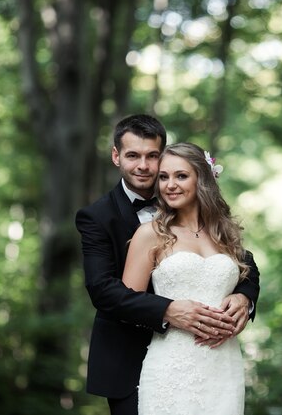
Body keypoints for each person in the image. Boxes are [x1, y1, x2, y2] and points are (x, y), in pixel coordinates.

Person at [75, 114, 260, 415]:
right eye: (133, 155)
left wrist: (244, 297)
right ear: (116, 156)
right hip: (132, 357)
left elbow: (242, 262)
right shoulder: (97, 217)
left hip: (216, 360)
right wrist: (168, 310)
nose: (143, 166)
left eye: (152, 157)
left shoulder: (195, 209)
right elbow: (102, 289)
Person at [122, 142, 253, 415]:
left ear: (202, 180)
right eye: (164, 177)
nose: (170, 184)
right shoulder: (150, 233)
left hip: (224, 366)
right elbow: (127, 302)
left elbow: (248, 276)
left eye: (181, 176)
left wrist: (244, 297)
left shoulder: (225, 235)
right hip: (171, 366)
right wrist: (168, 311)